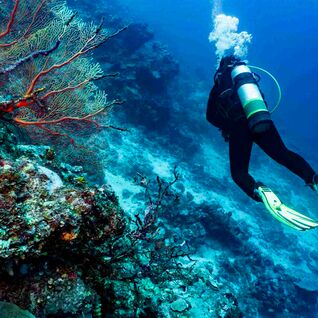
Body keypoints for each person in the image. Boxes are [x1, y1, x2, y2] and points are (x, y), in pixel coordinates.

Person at [206, 55, 318, 231]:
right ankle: (314, 178)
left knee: (239, 173)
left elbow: (210, 116)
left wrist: (228, 126)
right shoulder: (248, 78)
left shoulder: (220, 82)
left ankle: (259, 190)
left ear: (220, 67)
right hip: (260, 119)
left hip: (238, 125)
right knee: (284, 154)